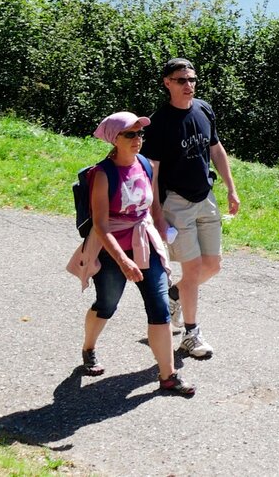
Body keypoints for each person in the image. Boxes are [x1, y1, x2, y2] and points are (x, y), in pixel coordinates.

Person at [66, 111, 195, 397]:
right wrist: (123, 260)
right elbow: (100, 225)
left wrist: (160, 232)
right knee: (107, 304)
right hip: (113, 249)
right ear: (115, 139)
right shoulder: (103, 174)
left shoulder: (146, 165)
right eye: (131, 134)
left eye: (140, 134)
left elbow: (153, 206)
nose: (138, 139)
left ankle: (168, 376)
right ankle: (89, 348)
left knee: (159, 308)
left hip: (145, 244)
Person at [146, 57, 240, 359]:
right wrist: (156, 213)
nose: (189, 85)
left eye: (193, 80)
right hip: (176, 203)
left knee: (213, 266)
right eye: (182, 80)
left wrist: (231, 188)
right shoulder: (159, 123)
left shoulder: (203, 109)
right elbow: (154, 172)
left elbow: (215, 148)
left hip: (206, 197)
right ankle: (191, 333)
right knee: (194, 268)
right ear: (167, 83)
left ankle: (175, 294)